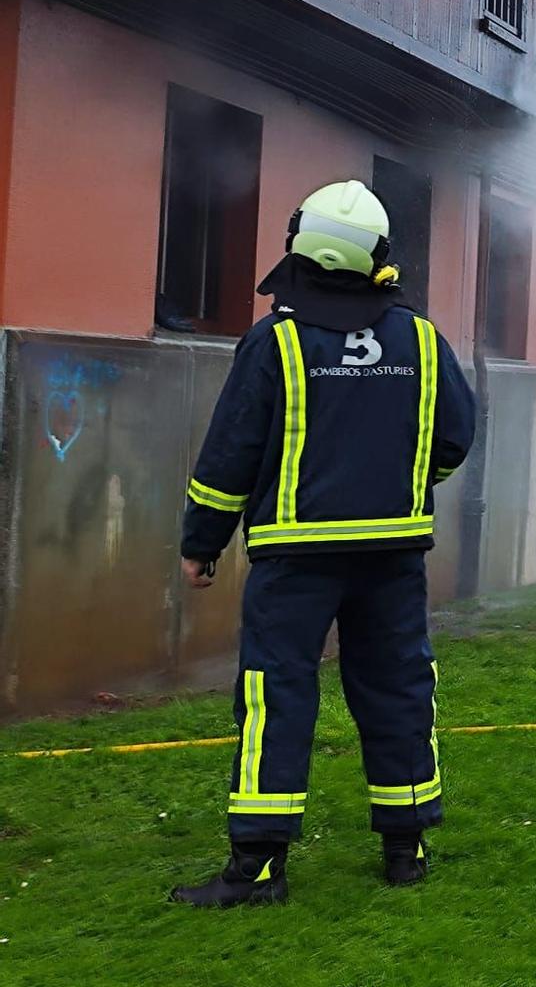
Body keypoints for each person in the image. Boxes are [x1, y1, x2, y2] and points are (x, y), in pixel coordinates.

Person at [171, 180, 476, 908]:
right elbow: (455, 438)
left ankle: (260, 868)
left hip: (295, 556)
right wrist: (410, 484)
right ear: (377, 255)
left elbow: (230, 455)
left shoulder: (274, 340)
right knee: (399, 687)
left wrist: (201, 542)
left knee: (276, 696)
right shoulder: (424, 341)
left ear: (299, 244)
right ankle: (406, 849)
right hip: (394, 554)